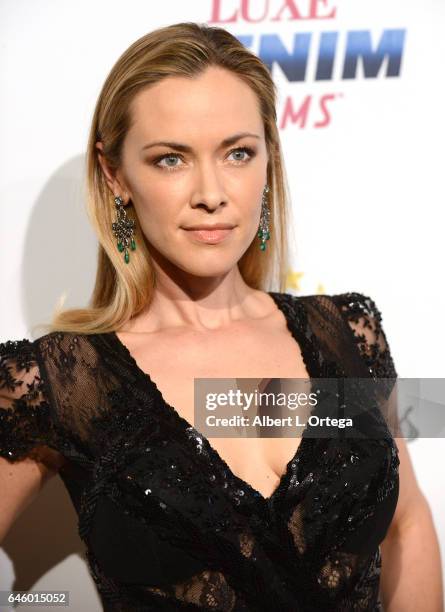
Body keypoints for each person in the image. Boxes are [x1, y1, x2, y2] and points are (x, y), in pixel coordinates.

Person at [0, 21, 442, 612]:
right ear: (115, 176)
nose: (212, 192)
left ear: (267, 160)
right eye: (170, 159)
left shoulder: (346, 334)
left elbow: (408, 524)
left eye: (237, 153)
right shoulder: (60, 383)